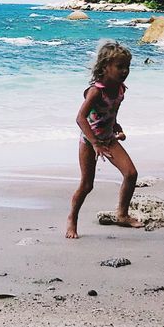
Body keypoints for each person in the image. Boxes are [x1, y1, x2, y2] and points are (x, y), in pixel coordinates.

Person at [66, 40, 143, 239]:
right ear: (105, 67)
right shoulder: (95, 91)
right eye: (119, 66)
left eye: (127, 67)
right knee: (86, 185)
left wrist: (117, 126)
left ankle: (122, 215)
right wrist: (94, 143)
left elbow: (109, 112)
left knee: (131, 174)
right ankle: (72, 220)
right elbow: (80, 118)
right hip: (89, 141)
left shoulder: (120, 88)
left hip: (108, 138)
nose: (125, 71)